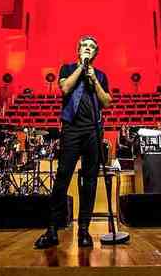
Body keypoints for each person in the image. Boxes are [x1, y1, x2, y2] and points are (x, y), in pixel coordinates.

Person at [35, 35, 110, 249]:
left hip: (93, 130)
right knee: (62, 177)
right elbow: (65, 89)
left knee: (90, 180)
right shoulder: (67, 69)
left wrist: (94, 79)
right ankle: (52, 229)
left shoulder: (101, 75)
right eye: (84, 46)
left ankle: (84, 230)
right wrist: (81, 68)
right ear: (78, 50)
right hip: (72, 129)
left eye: (91, 47)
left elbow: (106, 101)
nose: (88, 49)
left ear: (96, 53)